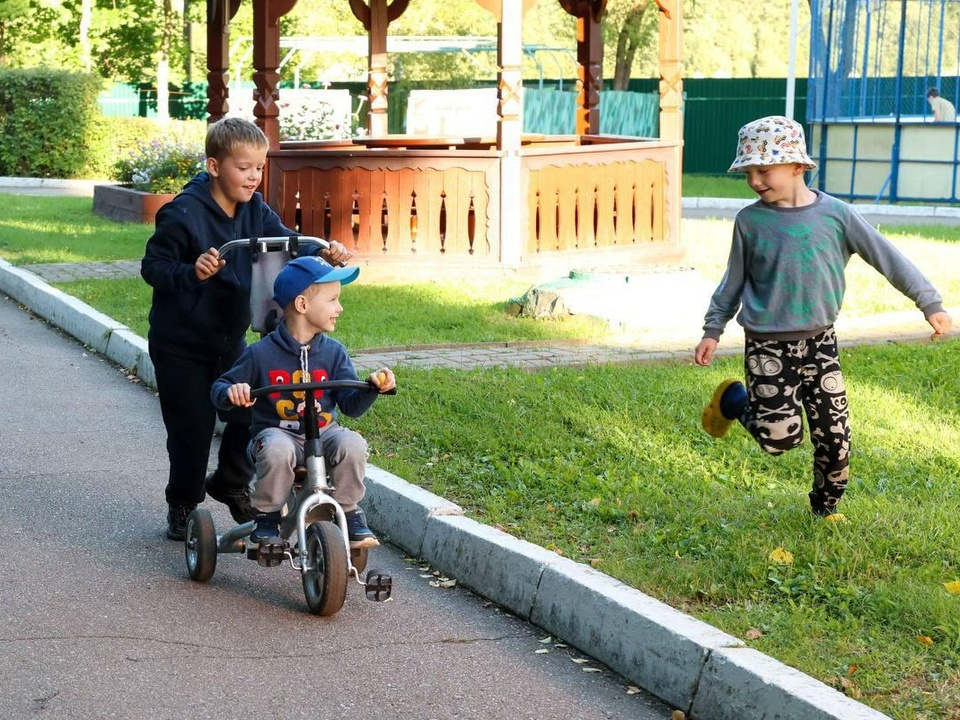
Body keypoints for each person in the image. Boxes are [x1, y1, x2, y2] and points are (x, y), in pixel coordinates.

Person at [694, 115, 952, 521]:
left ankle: (824, 510)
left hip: (821, 343)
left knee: (836, 436)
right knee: (780, 440)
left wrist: (929, 302)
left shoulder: (837, 215)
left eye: (764, 170)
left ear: (798, 166)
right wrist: (713, 329)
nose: (756, 181)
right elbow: (733, 281)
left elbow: (887, 258)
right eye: (749, 173)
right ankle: (733, 400)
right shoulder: (750, 222)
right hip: (767, 344)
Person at [141, 117, 351, 541]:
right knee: (192, 428)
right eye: (244, 167)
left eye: (259, 167)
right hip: (181, 343)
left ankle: (230, 480)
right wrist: (191, 271)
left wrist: (322, 250)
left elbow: (286, 240)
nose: (254, 176)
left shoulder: (255, 209)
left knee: (255, 408)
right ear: (215, 166)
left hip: (229, 338)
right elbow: (153, 268)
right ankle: (183, 502)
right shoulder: (183, 213)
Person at [210, 255, 396, 548]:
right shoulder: (261, 354)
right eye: (333, 300)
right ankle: (267, 516)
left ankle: (348, 511)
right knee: (276, 449)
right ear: (302, 305)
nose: (340, 308)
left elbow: (351, 406)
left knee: (353, 444)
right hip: (277, 433)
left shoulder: (334, 353)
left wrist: (371, 388)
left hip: (325, 433)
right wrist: (233, 392)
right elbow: (220, 389)